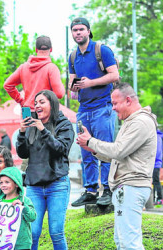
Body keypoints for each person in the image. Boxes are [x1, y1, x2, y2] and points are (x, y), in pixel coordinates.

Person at [77, 83, 157, 249]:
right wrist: (92, 149)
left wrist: (92, 141)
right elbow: (116, 156)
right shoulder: (132, 122)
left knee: (129, 243)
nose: (112, 108)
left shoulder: (140, 122)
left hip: (131, 188)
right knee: (122, 242)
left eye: (114, 103)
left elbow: (118, 150)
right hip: (127, 189)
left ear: (128, 100)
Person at [69, 17, 119, 207]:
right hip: (83, 109)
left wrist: (91, 82)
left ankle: (107, 189)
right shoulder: (73, 56)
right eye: (75, 30)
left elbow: (115, 75)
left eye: (81, 29)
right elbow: (72, 81)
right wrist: (73, 89)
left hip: (103, 107)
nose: (78, 33)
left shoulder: (102, 50)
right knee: (86, 150)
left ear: (89, 31)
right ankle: (90, 190)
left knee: (104, 149)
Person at [17, 90, 74, 250]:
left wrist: (43, 130)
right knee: (33, 232)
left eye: (42, 102)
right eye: (35, 103)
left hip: (57, 184)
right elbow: (23, 153)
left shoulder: (63, 124)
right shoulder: (32, 125)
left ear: (52, 103)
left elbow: (61, 149)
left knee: (56, 232)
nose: (37, 106)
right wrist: (22, 133)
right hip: (35, 186)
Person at [4, 35, 65, 116]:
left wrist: (21, 100)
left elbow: (7, 85)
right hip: (45, 112)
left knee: (26, 129)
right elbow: (59, 94)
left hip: (27, 112)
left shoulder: (23, 67)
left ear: (36, 49)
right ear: (51, 49)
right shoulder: (51, 68)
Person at [0, 167, 36, 250]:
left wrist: (23, 207)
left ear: (17, 184)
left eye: (7, 182)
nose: (3, 185)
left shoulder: (25, 200)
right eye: (1, 182)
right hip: (2, 244)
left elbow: (32, 217)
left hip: (21, 244)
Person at [153, 129, 162, 205]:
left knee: (155, 181)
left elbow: (156, 152)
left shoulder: (156, 137)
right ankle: (154, 199)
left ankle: (159, 199)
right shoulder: (159, 136)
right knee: (154, 181)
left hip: (155, 163)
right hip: (157, 163)